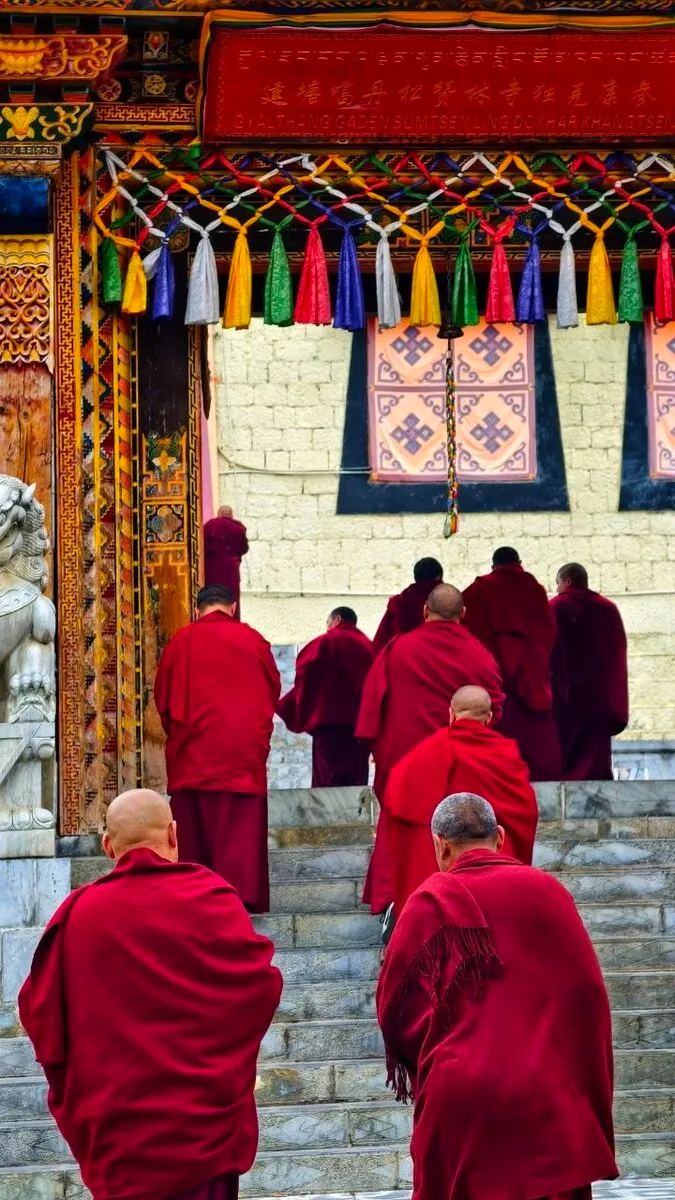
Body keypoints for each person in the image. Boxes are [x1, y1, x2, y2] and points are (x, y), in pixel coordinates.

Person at [19, 789, 282, 1200]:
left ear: (108, 846)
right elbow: (260, 989)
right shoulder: (211, 897)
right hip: (201, 1132)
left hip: (119, 1134)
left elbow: (39, 1017)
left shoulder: (76, 916)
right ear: (174, 834)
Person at [377, 792, 617, 1200]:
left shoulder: (427, 902)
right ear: (501, 837)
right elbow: (588, 994)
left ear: (441, 845)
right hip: (550, 1098)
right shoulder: (549, 892)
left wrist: (438, 1055)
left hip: (464, 1100)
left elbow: (394, 1010)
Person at [356, 583, 504, 913]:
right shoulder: (480, 654)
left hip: (409, 760)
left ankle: (394, 897)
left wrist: (379, 746)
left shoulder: (399, 649)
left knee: (405, 824)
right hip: (465, 763)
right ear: (463, 614)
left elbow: (373, 706)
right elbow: (492, 708)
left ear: (425, 611)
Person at [154, 583, 280, 913]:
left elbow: (164, 702)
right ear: (233, 607)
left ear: (197, 609)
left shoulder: (181, 642)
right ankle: (241, 899)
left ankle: (196, 898)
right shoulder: (254, 642)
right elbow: (270, 695)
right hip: (242, 760)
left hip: (193, 758)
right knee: (239, 834)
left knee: (195, 837)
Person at [385, 686, 538, 915]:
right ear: (489, 717)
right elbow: (525, 814)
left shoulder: (423, 755)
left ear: (451, 714)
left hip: (439, 877)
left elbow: (398, 806)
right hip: (493, 876)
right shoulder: (505, 755)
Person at [462, 546, 561, 781]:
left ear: (493, 566)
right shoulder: (534, 589)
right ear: (519, 562)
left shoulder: (479, 589)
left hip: (494, 680)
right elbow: (547, 632)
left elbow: (467, 629)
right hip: (531, 678)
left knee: (497, 741)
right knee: (537, 743)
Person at [277, 606, 373, 787]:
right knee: (356, 782)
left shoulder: (325, 642)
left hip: (328, 727)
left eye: (327, 624)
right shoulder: (370, 647)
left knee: (327, 783)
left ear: (336, 619)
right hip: (360, 728)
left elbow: (307, 678)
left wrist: (291, 706)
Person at [550, 562, 629, 780]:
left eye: (557, 584)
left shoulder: (556, 607)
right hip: (599, 694)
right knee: (594, 755)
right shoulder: (608, 608)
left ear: (566, 581)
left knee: (565, 750)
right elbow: (617, 649)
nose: (557, 589)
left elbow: (546, 647)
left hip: (565, 695)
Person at [373, 557, 443, 654]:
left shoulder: (400, 601)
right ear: (439, 577)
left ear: (416, 578)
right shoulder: (448, 601)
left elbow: (381, 642)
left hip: (407, 658)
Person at [203, 505, 249, 619]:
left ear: (219, 514)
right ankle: (232, 622)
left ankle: (211, 622)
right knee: (231, 597)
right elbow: (244, 548)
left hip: (212, 571)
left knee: (212, 597)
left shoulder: (211, 525)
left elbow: (201, 546)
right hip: (231, 572)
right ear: (231, 515)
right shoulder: (238, 528)